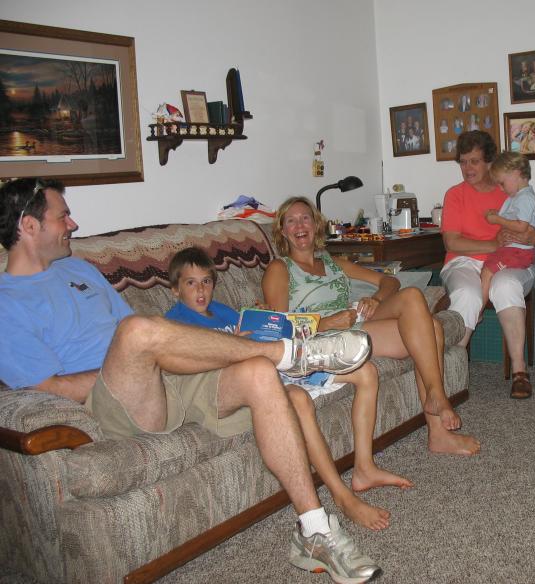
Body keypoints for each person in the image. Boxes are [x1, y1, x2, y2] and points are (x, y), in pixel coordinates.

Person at [0, 178, 381, 584]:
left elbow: (153, 336)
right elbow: (52, 389)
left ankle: (314, 530)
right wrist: (145, 363)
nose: (73, 224)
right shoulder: (8, 303)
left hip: (166, 376)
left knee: (257, 372)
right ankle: (292, 352)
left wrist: (179, 356)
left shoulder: (77, 268)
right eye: (62, 217)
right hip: (114, 400)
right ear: (29, 225)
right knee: (137, 332)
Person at [165, 246, 412, 530]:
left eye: (206, 281)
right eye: (191, 283)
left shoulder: (223, 311)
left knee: (366, 371)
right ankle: (342, 496)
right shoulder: (177, 322)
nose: (201, 290)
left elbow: (254, 337)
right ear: (175, 290)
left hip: (276, 366)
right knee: (299, 399)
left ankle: (364, 468)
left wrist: (264, 320)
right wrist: (235, 347)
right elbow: (190, 366)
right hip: (244, 385)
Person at [262, 197, 480, 456]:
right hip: (324, 339)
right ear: (283, 231)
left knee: (419, 308)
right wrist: (328, 322)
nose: (300, 225)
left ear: (316, 224)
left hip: (354, 324)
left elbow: (391, 282)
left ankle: (437, 419)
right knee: (430, 328)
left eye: (305, 218)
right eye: (291, 221)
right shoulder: (280, 268)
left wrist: (376, 299)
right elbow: (279, 327)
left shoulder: (333, 263)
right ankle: (438, 411)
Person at [440, 131, 535, 399]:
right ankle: (452, 371)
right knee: (468, 293)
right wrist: (493, 245)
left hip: (508, 260)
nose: (467, 168)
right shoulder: (455, 194)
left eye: (474, 161)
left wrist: (534, 237)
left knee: (505, 285)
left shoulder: (509, 189)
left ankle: (519, 371)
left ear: (489, 162)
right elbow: (452, 242)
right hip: (464, 261)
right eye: (463, 162)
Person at [480, 152, 535, 309]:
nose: (501, 189)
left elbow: (521, 226)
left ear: (516, 173)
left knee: (487, 271)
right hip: (512, 250)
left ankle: (477, 312)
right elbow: (514, 217)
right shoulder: (518, 197)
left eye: (502, 183)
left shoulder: (525, 198)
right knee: (486, 270)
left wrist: (497, 220)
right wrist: (497, 214)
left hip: (518, 252)